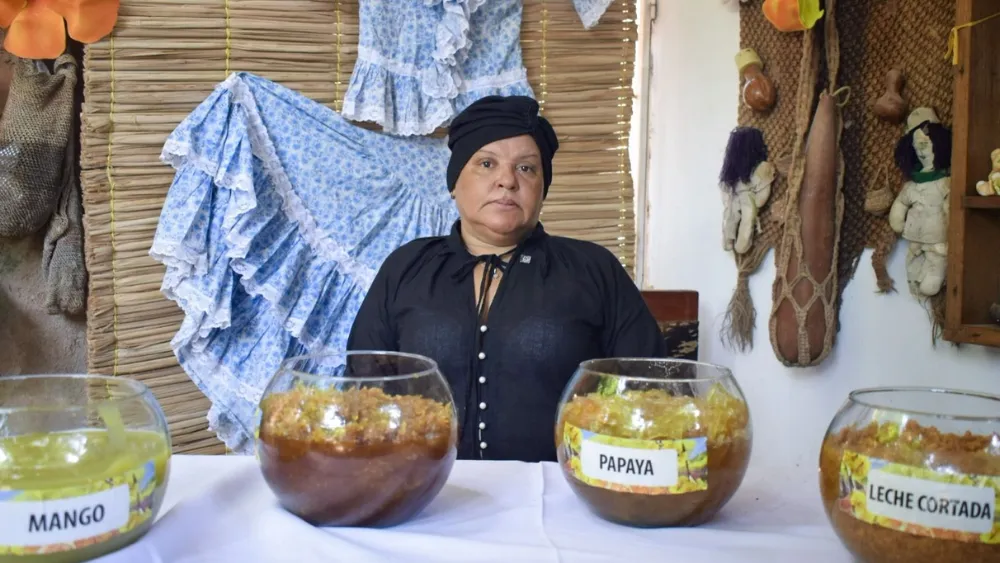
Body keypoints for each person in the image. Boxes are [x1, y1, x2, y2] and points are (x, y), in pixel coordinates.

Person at [347, 95, 666, 462]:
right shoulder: (406, 268)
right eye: (486, 163)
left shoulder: (594, 270)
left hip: (566, 498)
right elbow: (362, 390)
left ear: (542, 189)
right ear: (454, 182)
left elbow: (650, 393)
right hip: (424, 496)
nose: (507, 181)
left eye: (527, 169)